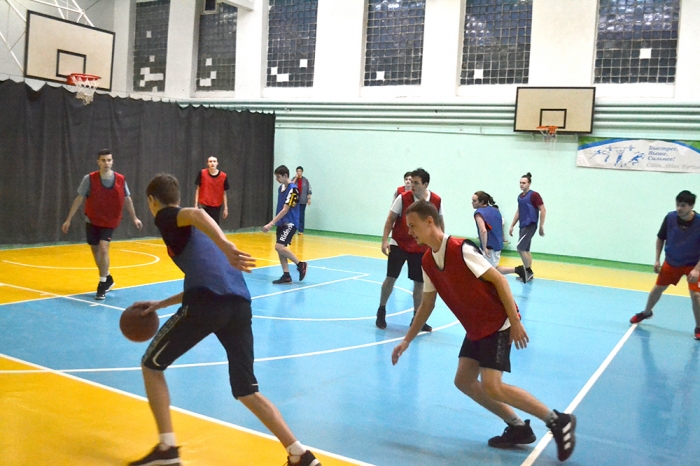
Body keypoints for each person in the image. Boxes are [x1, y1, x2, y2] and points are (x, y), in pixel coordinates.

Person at [128, 174, 320, 466]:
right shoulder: (197, 234)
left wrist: (226, 244)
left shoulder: (167, 217)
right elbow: (206, 278)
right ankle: (300, 454)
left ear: (152, 201)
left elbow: (197, 213)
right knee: (247, 390)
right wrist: (161, 304)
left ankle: (167, 450)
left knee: (151, 365)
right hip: (238, 304)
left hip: (208, 303)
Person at [392, 200, 576, 462]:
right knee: (464, 380)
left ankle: (557, 420)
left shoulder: (461, 248)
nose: (410, 232)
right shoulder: (428, 261)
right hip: (476, 327)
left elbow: (499, 279)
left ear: (430, 221)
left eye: (413, 226)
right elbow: (427, 304)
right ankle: (518, 427)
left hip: (497, 322)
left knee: (493, 385)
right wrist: (407, 340)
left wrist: (515, 321)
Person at [61, 149, 143, 300]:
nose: (106, 163)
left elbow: (127, 199)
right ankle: (108, 277)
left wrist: (135, 218)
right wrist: (68, 219)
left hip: (110, 221)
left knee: (104, 249)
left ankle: (102, 284)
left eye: (109, 160)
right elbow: (79, 199)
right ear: (98, 162)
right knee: (96, 251)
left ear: (112, 161)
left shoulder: (120, 179)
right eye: (103, 160)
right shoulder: (89, 179)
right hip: (93, 219)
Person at [376, 168, 443, 331]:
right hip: (399, 243)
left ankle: (417, 318)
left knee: (419, 283)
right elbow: (390, 219)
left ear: (425, 185)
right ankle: (381, 310)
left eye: (416, 183)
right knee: (391, 278)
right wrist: (384, 240)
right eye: (411, 182)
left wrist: (440, 246)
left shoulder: (436, 200)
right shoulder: (402, 198)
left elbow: (439, 224)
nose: (412, 185)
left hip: (421, 247)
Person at [630, 190, 700, 340]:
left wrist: (697, 269)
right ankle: (646, 312)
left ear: (691, 206)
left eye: (683, 205)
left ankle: (699, 327)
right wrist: (657, 259)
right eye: (677, 204)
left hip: (693, 265)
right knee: (657, 289)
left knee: (696, 296)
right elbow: (660, 238)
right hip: (672, 261)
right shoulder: (670, 218)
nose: (679, 208)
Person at [262, 165, 308, 284]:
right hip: (281, 223)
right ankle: (286, 275)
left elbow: (285, 209)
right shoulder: (281, 188)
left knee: (279, 246)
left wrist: (271, 223)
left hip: (290, 223)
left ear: (285, 175)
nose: (277, 179)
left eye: (278, 177)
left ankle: (300, 264)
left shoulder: (293, 190)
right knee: (280, 249)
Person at [472, 191, 527, 281]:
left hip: (489, 246)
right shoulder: (495, 211)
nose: (472, 203)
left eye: (474, 201)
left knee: (488, 271)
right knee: (491, 268)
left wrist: (485, 247)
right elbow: (499, 226)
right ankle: (518, 270)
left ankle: (518, 270)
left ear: (481, 202)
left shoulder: (479, 213)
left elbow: (483, 231)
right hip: (497, 243)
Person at [508, 172, 546, 283]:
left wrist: (541, 226)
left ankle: (528, 271)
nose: (521, 184)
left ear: (529, 183)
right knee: (526, 249)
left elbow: (543, 209)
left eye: (524, 183)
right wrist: (512, 225)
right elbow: (518, 211)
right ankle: (528, 273)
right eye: (520, 182)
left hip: (530, 224)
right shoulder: (520, 197)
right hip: (523, 225)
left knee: (520, 248)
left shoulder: (534, 195)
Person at [194, 156, 229, 225]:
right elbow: (198, 190)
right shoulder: (202, 173)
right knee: (202, 225)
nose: (212, 163)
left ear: (217, 163)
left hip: (215, 206)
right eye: (210, 161)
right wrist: (196, 205)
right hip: (203, 205)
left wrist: (226, 208)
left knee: (213, 226)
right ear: (207, 163)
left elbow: (224, 193)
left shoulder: (223, 176)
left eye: (214, 161)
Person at [291, 166, 312, 235]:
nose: (299, 172)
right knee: (294, 215)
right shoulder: (294, 179)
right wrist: (296, 178)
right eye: (297, 171)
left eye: (300, 171)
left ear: (302, 172)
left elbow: (309, 190)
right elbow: (290, 186)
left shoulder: (305, 180)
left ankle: (301, 230)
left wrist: (309, 199)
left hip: (303, 200)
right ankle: (293, 229)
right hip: (294, 200)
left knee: (301, 215)